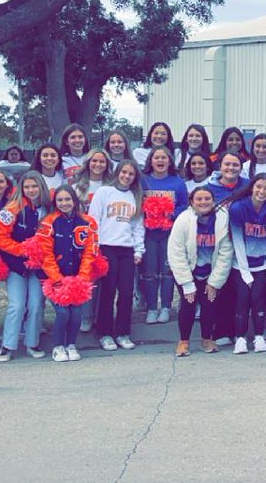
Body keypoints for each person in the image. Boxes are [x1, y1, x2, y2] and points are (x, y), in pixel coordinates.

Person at [168, 185, 234, 356]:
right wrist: (186, 282)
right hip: (188, 270)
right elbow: (176, 252)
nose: (203, 202)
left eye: (207, 199)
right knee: (188, 303)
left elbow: (226, 252)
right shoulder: (183, 220)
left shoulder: (223, 219)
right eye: (199, 199)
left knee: (209, 303)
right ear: (192, 202)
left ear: (213, 201)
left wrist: (215, 281)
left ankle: (207, 339)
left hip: (210, 271)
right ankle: (183, 341)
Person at [37, 185, 99, 362]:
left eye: (67, 199)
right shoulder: (48, 222)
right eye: (60, 200)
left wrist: (82, 278)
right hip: (54, 278)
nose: (64, 203)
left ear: (74, 200)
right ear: (55, 202)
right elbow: (45, 254)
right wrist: (57, 279)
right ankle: (58, 346)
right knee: (63, 313)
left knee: (76, 314)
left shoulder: (87, 222)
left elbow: (90, 251)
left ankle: (71, 344)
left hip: (78, 278)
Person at [0, 170, 49, 362]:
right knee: (16, 305)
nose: (31, 190)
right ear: (21, 189)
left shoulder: (49, 207)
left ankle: (32, 343)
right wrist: (22, 250)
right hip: (16, 264)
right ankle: (7, 345)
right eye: (27, 187)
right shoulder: (12, 208)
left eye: (35, 186)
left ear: (41, 187)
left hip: (39, 266)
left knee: (36, 304)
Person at [88, 159, 145, 351]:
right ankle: (104, 333)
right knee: (108, 291)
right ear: (117, 172)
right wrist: (95, 247)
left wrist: (139, 250)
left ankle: (123, 332)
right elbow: (94, 220)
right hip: (107, 247)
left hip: (127, 250)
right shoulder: (104, 192)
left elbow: (138, 227)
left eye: (131, 174)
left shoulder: (135, 196)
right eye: (124, 172)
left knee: (127, 293)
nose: (127, 176)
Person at [226, 174, 266, 355]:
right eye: (258, 187)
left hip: (261, 264)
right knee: (243, 297)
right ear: (252, 187)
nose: (261, 191)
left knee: (258, 298)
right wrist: (245, 272)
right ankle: (240, 338)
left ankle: (259, 336)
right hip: (240, 264)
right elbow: (237, 241)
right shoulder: (238, 208)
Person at [140, 146, 188, 324]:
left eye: (164, 158)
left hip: (169, 234)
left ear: (169, 161)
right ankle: (152, 308)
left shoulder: (177, 182)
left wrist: (171, 214)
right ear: (150, 161)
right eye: (156, 157)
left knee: (168, 271)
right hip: (149, 234)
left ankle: (166, 307)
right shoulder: (143, 181)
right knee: (150, 272)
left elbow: (184, 205)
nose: (160, 161)